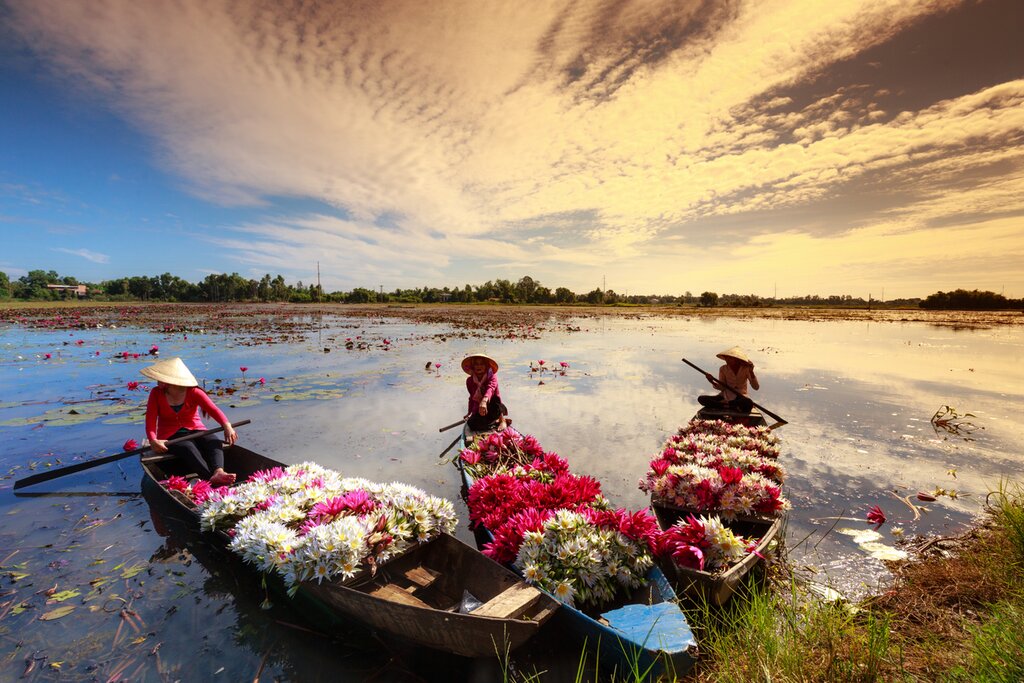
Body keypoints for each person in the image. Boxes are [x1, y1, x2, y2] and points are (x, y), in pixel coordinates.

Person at [141, 357, 238, 486]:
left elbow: (213, 410)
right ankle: (210, 479)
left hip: (196, 430)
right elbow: (151, 420)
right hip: (170, 435)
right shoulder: (156, 393)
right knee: (187, 447)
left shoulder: (194, 392)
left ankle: (219, 471)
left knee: (213, 441)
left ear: (171, 382)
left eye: (162, 378)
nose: (158, 380)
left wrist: (227, 426)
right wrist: (153, 440)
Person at [697, 346, 760, 413]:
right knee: (702, 399)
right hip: (725, 396)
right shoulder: (723, 369)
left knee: (748, 403)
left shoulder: (746, 369)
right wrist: (711, 381)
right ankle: (729, 406)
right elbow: (722, 387)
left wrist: (751, 372)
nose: (727, 360)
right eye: (726, 358)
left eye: (730, 358)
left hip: (740, 396)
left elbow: (756, 387)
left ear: (736, 359)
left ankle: (724, 405)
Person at [462, 353, 507, 432]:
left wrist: (484, 401)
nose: (479, 366)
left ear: (486, 366)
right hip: (481, 408)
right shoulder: (469, 381)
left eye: (482, 364)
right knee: (471, 424)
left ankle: (502, 420)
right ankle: (492, 423)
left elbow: (491, 388)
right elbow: (472, 397)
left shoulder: (492, 377)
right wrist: (469, 413)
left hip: (494, 407)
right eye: (476, 364)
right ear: (473, 366)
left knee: (495, 399)